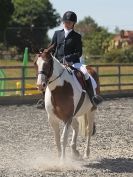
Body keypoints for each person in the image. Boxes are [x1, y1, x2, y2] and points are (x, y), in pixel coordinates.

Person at [36, 11, 102, 108]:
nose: (67, 24)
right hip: (58, 63)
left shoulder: (77, 36)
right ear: (63, 22)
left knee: (85, 73)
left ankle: (93, 97)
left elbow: (79, 52)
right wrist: (45, 51)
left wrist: (68, 58)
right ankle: (44, 99)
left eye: (69, 23)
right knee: (45, 74)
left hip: (73, 63)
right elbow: (52, 46)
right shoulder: (57, 34)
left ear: (73, 24)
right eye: (66, 22)